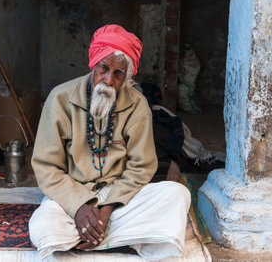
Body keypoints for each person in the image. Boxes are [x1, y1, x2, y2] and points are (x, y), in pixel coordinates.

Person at [29, 24, 191, 260]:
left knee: (177, 195)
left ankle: (92, 236)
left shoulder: (137, 105)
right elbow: (46, 166)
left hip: (119, 199)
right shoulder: (60, 98)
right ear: (93, 64)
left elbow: (141, 167)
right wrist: (80, 207)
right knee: (43, 226)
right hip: (72, 194)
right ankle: (117, 239)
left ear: (126, 77)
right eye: (103, 68)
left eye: (118, 74)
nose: (108, 79)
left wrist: (105, 212)